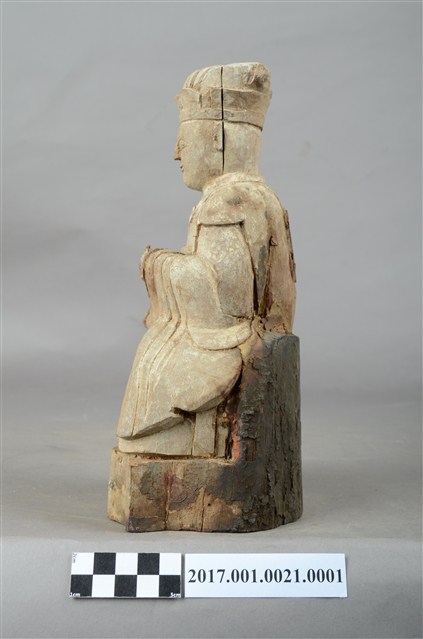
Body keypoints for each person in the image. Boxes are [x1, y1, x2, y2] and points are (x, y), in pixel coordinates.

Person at [116, 63, 296, 457]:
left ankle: (177, 443)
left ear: (218, 140)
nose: (176, 152)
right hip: (248, 337)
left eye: (184, 137)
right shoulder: (261, 196)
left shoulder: (227, 201)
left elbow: (227, 304)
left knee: (155, 352)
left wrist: (158, 266)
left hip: (227, 346)